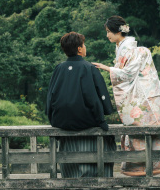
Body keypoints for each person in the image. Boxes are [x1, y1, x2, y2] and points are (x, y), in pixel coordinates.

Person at [92, 15, 160, 176]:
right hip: (142, 94)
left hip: (145, 95)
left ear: (117, 31)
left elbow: (127, 74)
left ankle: (151, 165)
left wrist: (107, 68)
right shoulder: (125, 48)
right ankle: (141, 166)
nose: (107, 35)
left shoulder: (131, 50)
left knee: (144, 127)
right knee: (138, 129)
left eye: (109, 31)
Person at [46, 31, 116, 177]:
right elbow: (94, 96)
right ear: (79, 49)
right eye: (83, 45)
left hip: (61, 121)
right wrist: (102, 118)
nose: (85, 47)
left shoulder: (59, 68)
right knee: (106, 136)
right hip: (85, 120)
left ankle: (70, 177)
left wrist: (51, 117)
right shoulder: (88, 67)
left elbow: (51, 96)